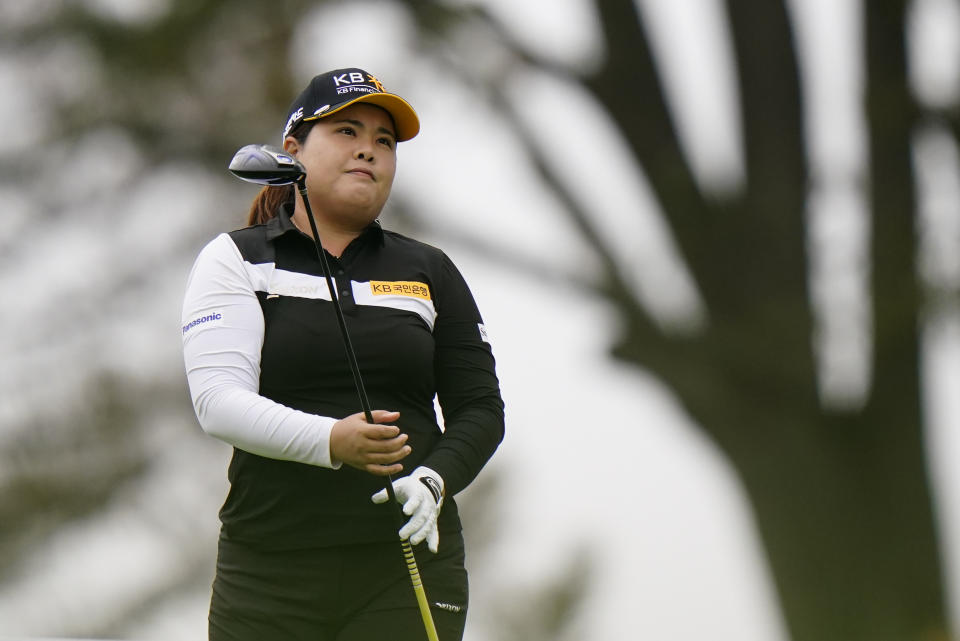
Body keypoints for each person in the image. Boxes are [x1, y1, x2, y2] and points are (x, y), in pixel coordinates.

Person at [181, 67, 505, 641]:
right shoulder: (237, 260)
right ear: (292, 150)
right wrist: (334, 441)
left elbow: (480, 409)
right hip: (269, 569)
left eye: (384, 141)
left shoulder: (428, 270)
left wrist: (434, 479)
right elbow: (218, 402)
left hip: (405, 568)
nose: (369, 151)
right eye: (347, 132)